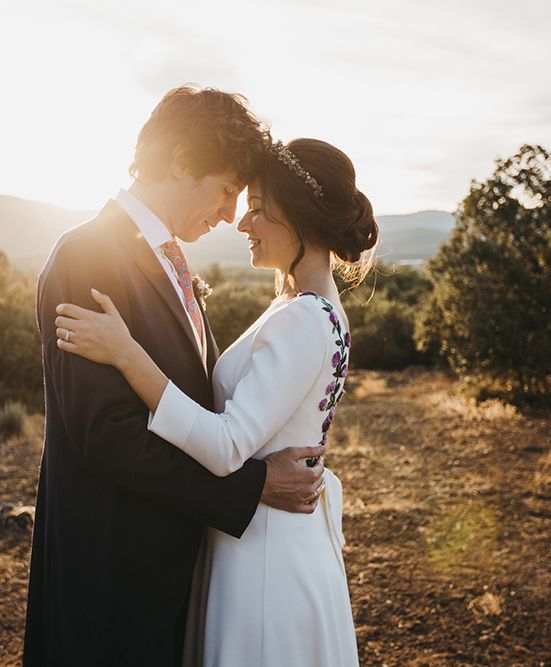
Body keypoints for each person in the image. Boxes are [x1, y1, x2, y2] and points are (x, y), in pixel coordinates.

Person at [25, 86, 327, 667]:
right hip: (112, 576)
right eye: (226, 190)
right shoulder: (87, 254)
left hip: (167, 568)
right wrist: (249, 488)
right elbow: (105, 434)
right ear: (183, 160)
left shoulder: (168, 257)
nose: (230, 214)